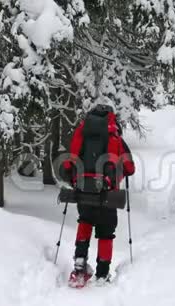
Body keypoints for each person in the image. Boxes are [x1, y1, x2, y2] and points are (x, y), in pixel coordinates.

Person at [62, 104, 135, 286]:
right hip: (107, 193)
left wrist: (73, 178)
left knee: (85, 221)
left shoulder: (82, 132)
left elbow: (70, 160)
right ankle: (102, 274)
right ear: (111, 118)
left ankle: (79, 263)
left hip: (83, 189)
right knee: (105, 231)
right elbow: (130, 168)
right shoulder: (114, 136)